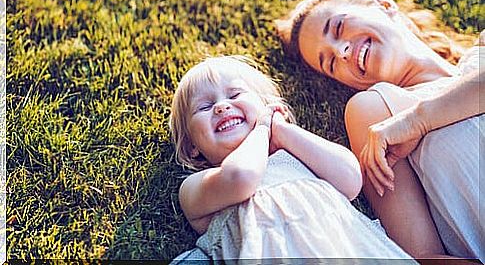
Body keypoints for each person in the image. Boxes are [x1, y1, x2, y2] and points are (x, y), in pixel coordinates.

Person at [274, 0, 483, 261]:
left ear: (384, 6)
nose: (341, 51)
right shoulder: (377, 111)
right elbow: (424, 256)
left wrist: (418, 121)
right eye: (331, 64)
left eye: (338, 27)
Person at [168, 55, 416, 260]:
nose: (221, 107)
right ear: (192, 148)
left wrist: (283, 130)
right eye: (204, 107)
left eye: (234, 95)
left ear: (271, 109)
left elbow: (351, 179)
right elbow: (241, 177)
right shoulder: (199, 185)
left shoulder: (297, 157)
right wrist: (263, 129)